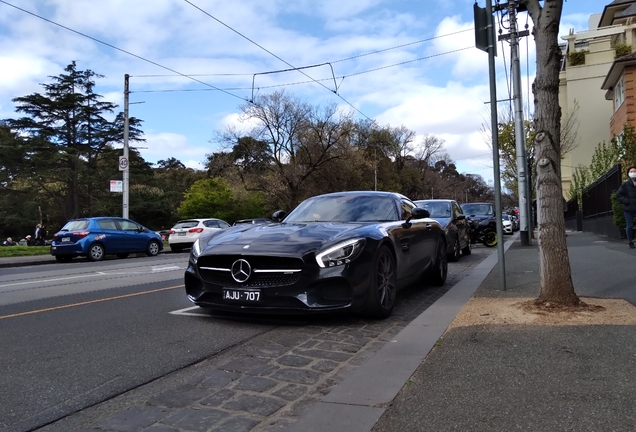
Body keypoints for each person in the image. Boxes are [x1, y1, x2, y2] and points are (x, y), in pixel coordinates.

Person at [616, 165, 636, 248]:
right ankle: (630, 241)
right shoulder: (625, 185)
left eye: (635, 171)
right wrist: (627, 201)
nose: (633, 173)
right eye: (631, 171)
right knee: (629, 225)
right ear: (628, 173)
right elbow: (619, 195)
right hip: (628, 208)